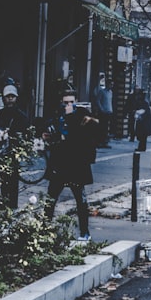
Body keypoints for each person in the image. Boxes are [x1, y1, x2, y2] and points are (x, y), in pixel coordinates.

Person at [44, 91, 97, 240]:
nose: (68, 105)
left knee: (80, 200)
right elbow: (51, 132)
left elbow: (85, 134)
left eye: (71, 102)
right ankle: (44, 230)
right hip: (60, 163)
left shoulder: (82, 116)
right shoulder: (57, 116)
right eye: (65, 102)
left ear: (76, 101)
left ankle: (85, 233)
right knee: (51, 198)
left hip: (76, 164)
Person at [0, 83, 29, 208]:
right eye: (8, 96)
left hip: (13, 151)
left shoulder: (21, 115)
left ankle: (12, 206)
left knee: (12, 180)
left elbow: (26, 132)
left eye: (12, 96)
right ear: (4, 98)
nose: (10, 98)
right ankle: (0, 205)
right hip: (0, 151)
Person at [91, 74, 114, 146]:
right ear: (107, 84)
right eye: (111, 84)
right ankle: (101, 141)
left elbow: (110, 102)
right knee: (102, 127)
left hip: (109, 111)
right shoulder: (102, 92)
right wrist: (101, 109)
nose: (112, 86)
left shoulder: (111, 92)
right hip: (103, 112)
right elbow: (97, 101)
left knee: (107, 128)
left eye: (112, 84)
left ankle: (105, 141)